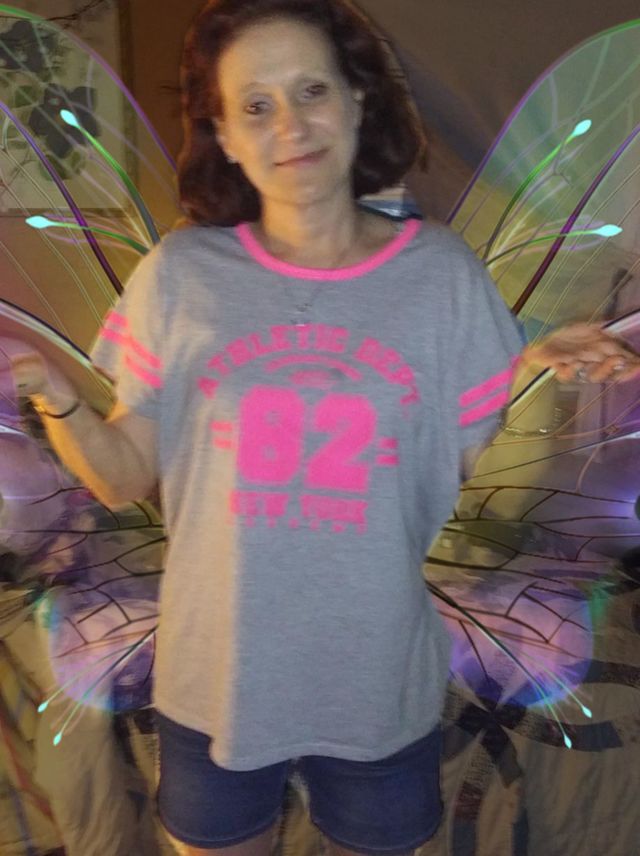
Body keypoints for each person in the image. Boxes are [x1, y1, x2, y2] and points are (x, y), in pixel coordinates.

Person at [9, 1, 640, 854]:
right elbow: (121, 477)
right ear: (225, 135)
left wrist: (539, 372)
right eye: (255, 105)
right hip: (214, 684)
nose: (290, 126)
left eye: (312, 90)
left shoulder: (443, 276)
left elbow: (490, 479)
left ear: (357, 101)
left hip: (378, 686)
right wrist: (56, 393)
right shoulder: (179, 276)